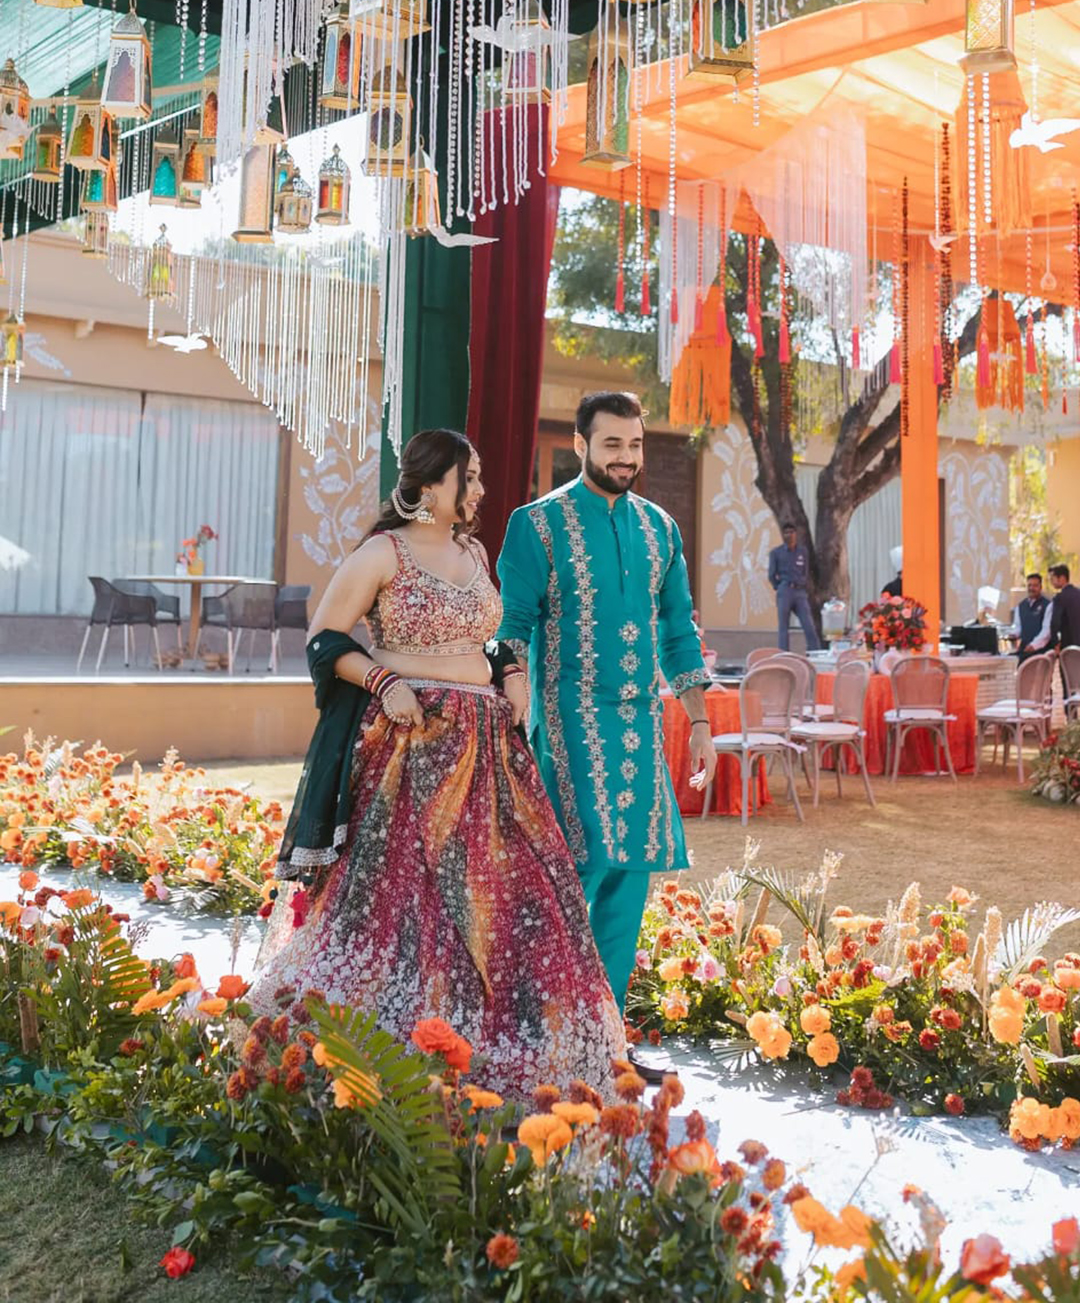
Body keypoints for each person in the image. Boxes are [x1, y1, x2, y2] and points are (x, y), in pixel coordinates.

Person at [249, 428, 624, 1100]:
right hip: (411, 751)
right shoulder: (382, 553)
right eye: (467, 477)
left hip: (489, 753)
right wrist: (381, 681)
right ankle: (390, 1048)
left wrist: (510, 670)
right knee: (410, 904)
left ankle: (511, 1036)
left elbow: (485, 638)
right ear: (429, 485)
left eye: (477, 476)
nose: (479, 489)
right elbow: (325, 638)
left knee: (512, 896)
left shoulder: (472, 551)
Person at [497, 390, 716, 1016]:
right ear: (581, 444)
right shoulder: (537, 524)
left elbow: (678, 631)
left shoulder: (660, 529)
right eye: (612, 444)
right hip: (568, 721)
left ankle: (606, 1028)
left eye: (635, 444)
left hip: (642, 721)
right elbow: (511, 626)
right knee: (574, 869)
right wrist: (512, 693)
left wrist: (700, 720)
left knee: (630, 875)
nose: (626, 457)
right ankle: (541, 1019)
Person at [767, 522, 822, 654]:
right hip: (785, 591)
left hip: (800, 592)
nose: (789, 535)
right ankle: (784, 654)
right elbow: (771, 574)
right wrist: (779, 587)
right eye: (786, 533)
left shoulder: (802, 551)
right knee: (783, 627)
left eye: (791, 532)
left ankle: (815, 653)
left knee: (808, 624)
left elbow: (805, 571)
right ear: (783, 535)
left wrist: (803, 584)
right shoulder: (776, 553)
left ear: (796, 534)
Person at [1042, 562, 1080, 651]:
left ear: (1062, 578)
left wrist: (1055, 643)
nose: (1051, 582)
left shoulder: (1060, 597)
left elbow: (1055, 623)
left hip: (1069, 647)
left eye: (1052, 579)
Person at [1014, 573, 1050, 660]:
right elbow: (1018, 629)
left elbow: (1047, 631)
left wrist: (1034, 645)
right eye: (1029, 585)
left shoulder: (1048, 605)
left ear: (1040, 587)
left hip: (1041, 652)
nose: (1031, 588)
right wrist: (1010, 635)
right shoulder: (1020, 606)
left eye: (1035, 585)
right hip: (1024, 651)